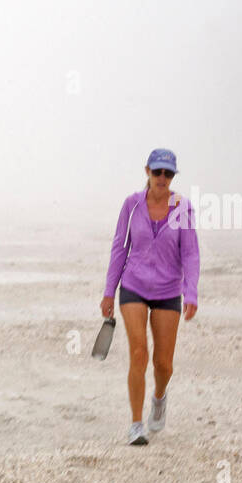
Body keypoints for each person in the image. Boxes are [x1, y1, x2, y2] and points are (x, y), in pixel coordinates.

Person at [102, 149, 199, 445]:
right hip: (133, 285)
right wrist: (109, 291)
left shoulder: (182, 208)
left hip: (169, 290)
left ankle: (159, 398)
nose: (162, 179)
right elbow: (120, 247)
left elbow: (191, 253)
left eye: (168, 174)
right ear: (147, 171)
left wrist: (191, 291)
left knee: (163, 364)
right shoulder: (132, 205)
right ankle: (135, 424)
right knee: (138, 353)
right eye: (157, 172)